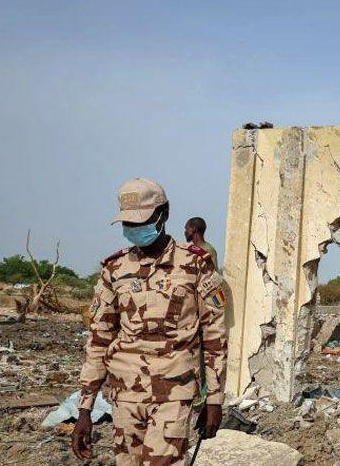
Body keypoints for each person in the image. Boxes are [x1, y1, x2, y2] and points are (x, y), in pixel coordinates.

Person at [72, 177, 228, 465]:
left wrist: (214, 399)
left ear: (164, 214)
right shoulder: (114, 269)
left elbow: (215, 338)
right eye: (128, 223)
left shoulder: (195, 265)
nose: (134, 229)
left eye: (141, 221)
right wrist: (85, 408)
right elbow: (99, 339)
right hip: (125, 394)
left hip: (174, 393)